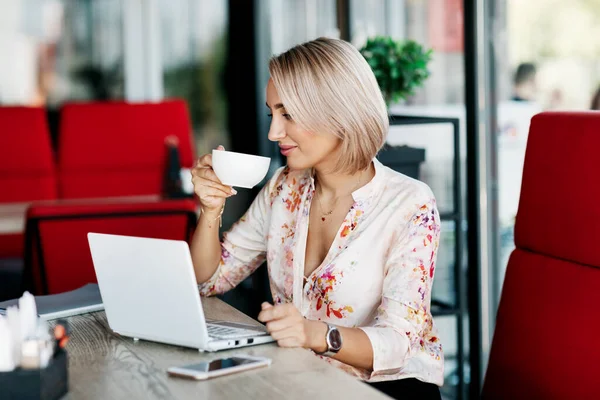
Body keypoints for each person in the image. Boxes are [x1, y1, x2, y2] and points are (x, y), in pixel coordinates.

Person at [190, 37, 443, 400]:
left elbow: (398, 344)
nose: (273, 132)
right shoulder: (284, 188)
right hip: (303, 382)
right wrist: (210, 210)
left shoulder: (410, 203)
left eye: (288, 114)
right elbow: (209, 280)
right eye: (272, 114)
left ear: (337, 111)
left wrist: (313, 334)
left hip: (388, 390)